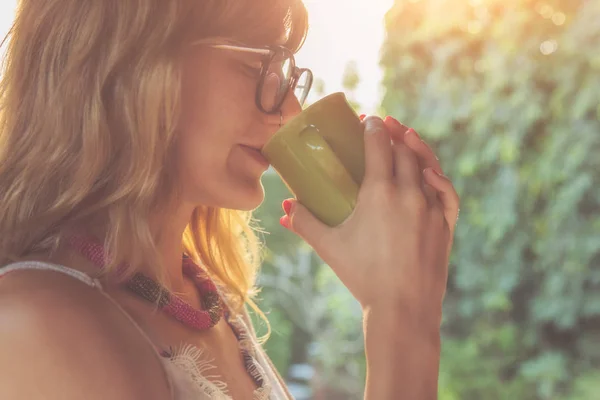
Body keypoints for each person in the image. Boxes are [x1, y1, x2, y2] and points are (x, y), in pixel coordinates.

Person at [0, 1, 459, 399]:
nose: (291, 112)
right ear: (125, 62)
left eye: (286, 73)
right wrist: (403, 315)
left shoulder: (205, 300)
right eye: (258, 66)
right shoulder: (42, 326)